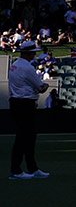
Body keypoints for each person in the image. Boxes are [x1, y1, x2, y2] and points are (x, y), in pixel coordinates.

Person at [9, 39, 52, 180]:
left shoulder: (14, 65)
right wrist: (45, 85)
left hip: (17, 102)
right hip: (25, 104)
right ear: (28, 53)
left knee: (26, 137)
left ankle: (31, 168)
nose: (34, 55)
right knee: (25, 137)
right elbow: (40, 87)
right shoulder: (27, 68)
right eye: (32, 53)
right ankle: (16, 170)